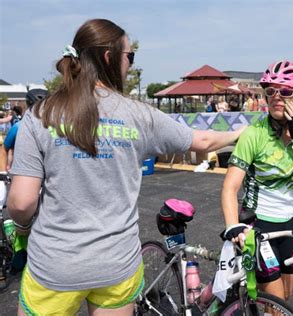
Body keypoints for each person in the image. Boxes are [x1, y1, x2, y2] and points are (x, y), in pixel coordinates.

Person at [7, 19, 244, 316]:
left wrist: (23, 228)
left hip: (56, 263)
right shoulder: (139, 114)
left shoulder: (42, 114)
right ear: (109, 57)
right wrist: (239, 133)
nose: (130, 64)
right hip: (117, 264)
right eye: (129, 56)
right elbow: (204, 140)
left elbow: (21, 202)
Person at [221, 60, 293, 302]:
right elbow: (230, 186)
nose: (277, 97)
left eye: (285, 91)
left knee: (285, 298)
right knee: (276, 305)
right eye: (271, 91)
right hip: (259, 226)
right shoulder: (254, 134)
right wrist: (232, 225)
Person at [3, 89, 48, 171]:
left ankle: (8, 167)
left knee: (11, 150)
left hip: (28, 172)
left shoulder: (19, 125)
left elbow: (5, 147)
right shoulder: (58, 126)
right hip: (52, 174)